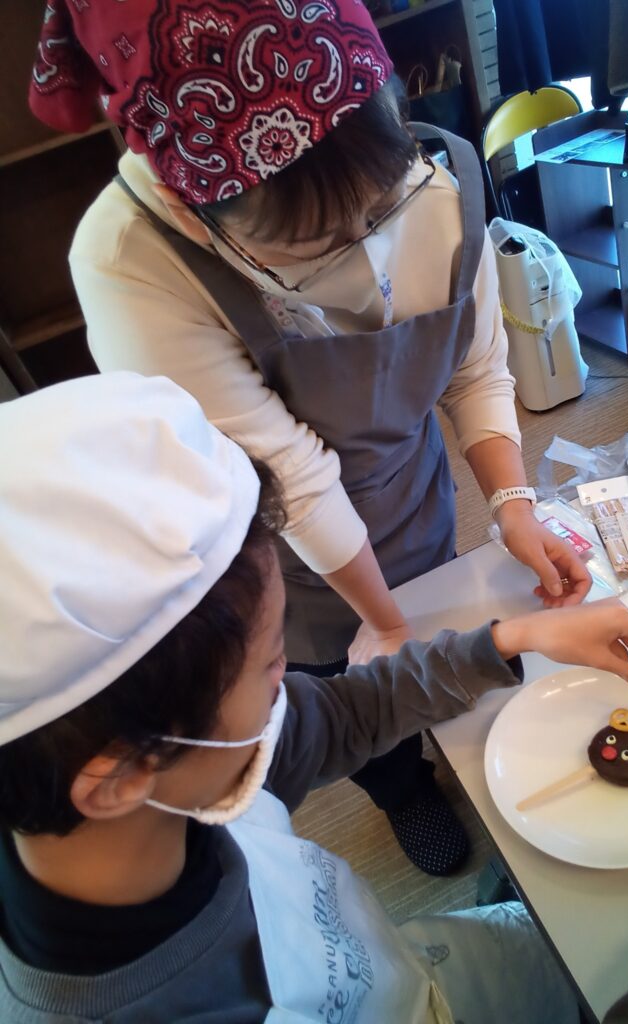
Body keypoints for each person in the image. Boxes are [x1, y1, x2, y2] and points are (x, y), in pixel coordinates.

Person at [1, 372, 628, 1024]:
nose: (292, 685)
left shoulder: (156, 778)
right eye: (271, 667)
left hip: (406, 968)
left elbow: (340, 715)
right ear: (120, 777)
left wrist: (514, 638)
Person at [27, 0, 591, 875]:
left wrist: (513, 507)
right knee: (343, 696)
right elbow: (293, 480)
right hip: (289, 560)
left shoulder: (435, 180)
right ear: (195, 206)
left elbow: (473, 367)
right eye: (319, 245)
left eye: (381, 209)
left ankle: (440, 731)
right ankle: (404, 790)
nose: (366, 250)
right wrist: (388, 623)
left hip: (410, 493)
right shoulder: (133, 258)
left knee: (444, 641)